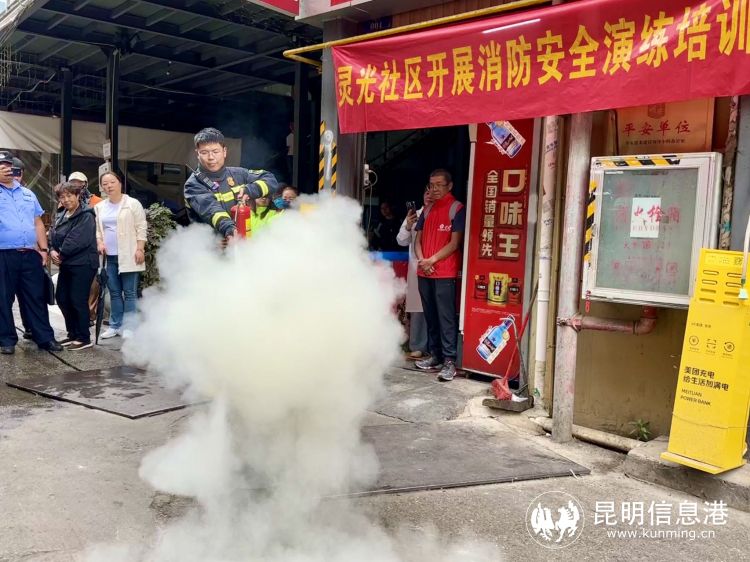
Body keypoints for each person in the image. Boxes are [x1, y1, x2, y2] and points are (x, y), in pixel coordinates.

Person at [0, 150, 63, 354]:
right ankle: (6, 339)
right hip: (3, 254)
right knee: (3, 298)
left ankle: (44, 337)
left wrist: (43, 249)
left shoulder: (28, 194)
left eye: (8, 165)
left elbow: (38, 222)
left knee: (35, 296)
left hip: (30, 254)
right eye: (1, 166)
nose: (6, 169)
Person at [414, 169, 466, 382]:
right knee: (430, 316)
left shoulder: (456, 208)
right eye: (431, 185)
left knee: (446, 317)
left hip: (444, 272)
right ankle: (435, 355)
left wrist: (432, 260)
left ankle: (449, 361)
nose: (434, 189)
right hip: (424, 271)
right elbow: (417, 240)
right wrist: (423, 260)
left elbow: (454, 243)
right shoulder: (427, 209)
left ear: (449, 186)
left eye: (439, 185)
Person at [184, 127, 278, 242]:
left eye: (215, 152)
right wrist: (230, 230)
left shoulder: (238, 174)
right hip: (210, 247)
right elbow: (212, 210)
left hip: (240, 242)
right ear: (197, 154)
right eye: (204, 152)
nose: (211, 157)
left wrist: (250, 190)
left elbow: (270, 179)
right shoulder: (193, 185)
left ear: (224, 152)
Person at [95, 171, 147, 339]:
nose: (109, 186)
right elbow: (98, 230)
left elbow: (141, 227)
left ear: (120, 183)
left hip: (129, 254)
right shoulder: (100, 207)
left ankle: (130, 327)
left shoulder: (132, 203)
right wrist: (99, 242)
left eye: (112, 182)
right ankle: (115, 325)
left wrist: (140, 249)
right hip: (109, 257)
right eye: (105, 184)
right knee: (114, 292)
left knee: (130, 292)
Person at [49, 182, 98, 350]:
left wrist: (60, 255)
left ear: (77, 195)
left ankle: (84, 337)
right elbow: (52, 234)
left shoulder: (86, 215)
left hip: (83, 264)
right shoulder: (61, 213)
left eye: (69, 195)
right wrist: (51, 250)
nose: (66, 199)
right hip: (67, 264)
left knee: (77, 299)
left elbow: (76, 240)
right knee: (62, 298)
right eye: (62, 197)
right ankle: (73, 333)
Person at [397, 187, 433, 360]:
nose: (429, 196)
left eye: (433, 192)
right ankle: (418, 346)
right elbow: (401, 240)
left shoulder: (444, 215)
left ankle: (435, 348)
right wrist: (408, 226)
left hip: (437, 266)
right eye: (427, 192)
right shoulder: (415, 215)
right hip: (417, 267)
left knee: (436, 309)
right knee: (419, 309)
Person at [68, 172, 101, 324]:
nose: (76, 185)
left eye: (79, 182)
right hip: (73, 248)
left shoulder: (97, 202)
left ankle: (90, 314)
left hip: (92, 246)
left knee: (93, 283)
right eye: (72, 182)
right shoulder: (66, 201)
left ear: (85, 184)